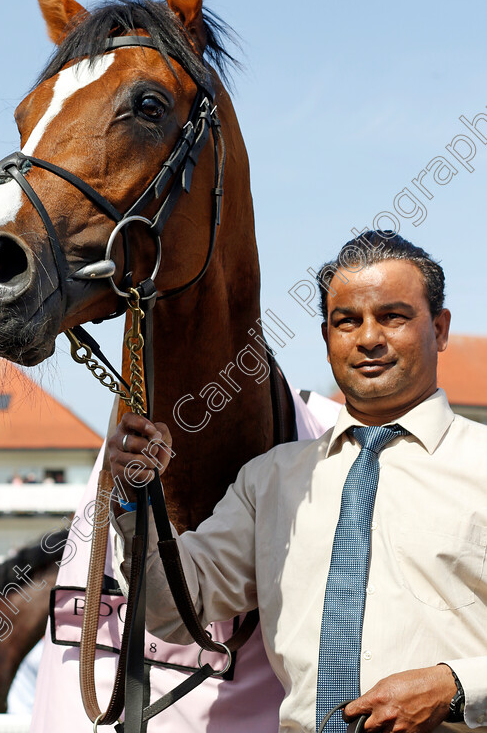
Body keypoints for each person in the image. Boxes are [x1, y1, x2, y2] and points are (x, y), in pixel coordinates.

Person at [108, 231, 487, 733]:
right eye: (346, 321)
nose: (368, 337)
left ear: (439, 329)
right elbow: (174, 610)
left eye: (392, 317)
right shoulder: (272, 480)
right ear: (327, 337)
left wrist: (456, 687)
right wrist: (135, 500)